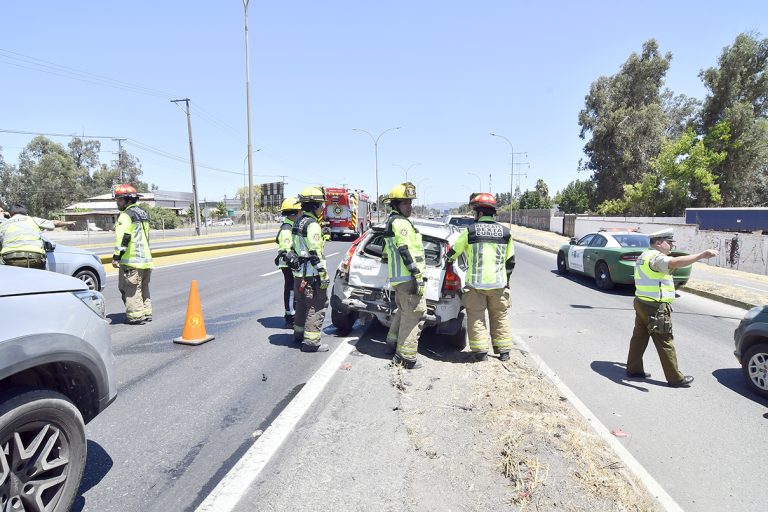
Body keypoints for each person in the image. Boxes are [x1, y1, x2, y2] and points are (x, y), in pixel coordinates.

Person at [626, 229, 718, 387]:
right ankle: (675, 378)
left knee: (639, 337)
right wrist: (701, 255)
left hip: (642, 302)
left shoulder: (645, 255)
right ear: (659, 243)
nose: (672, 246)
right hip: (655, 307)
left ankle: (633, 369)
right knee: (665, 341)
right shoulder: (656, 257)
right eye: (669, 242)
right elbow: (674, 263)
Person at [446, 193, 516, 362]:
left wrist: (449, 259)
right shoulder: (506, 233)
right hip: (499, 284)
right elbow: (510, 261)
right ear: (492, 213)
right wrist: (506, 281)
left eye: (474, 212)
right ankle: (504, 352)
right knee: (500, 316)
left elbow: (454, 252)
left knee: (476, 317)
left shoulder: (470, 231)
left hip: (476, 285)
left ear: (479, 213)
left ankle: (481, 353)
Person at [382, 182, 427, 370]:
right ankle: (406, 358)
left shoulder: (393, 221)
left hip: (399, 279)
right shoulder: (400, 223)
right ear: (395, 205)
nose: (409, 206)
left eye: (410, 202)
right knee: (415, 314)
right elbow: (404, 249)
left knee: (403, 312)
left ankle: (392, 342)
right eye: (405, 203)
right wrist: (416, 274)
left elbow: (386, 254)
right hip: (408, 277)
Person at [290, 186, 330, 352]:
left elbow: (299, 248)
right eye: (321, 205)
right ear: (314, 206)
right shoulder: (312, 225)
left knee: (301, 305)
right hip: (312, 274)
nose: (322, 208)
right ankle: (312, 342)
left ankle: (299, 334)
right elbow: (314, 252)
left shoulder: (298, 222)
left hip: (299, 274)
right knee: (316, 305)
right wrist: (323, 274)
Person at [112, 183, 153, 325]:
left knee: (130, 289)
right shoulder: (143, 214)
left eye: (120, 200)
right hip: (146, 260)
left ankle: (136, 316)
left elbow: (124, 237)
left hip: (132, 261)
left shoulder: (125, 216)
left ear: (129, 199)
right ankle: (146, 312)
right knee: (143, 287)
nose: (118, 203)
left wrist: (117, 256)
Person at [0, 204, 74, 269]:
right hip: (34, 258)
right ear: (25, 213)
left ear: (11, 213)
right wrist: (67, 223)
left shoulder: (4, 224)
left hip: (9, 258)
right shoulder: (33, 219)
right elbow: (54, 223)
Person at [274, 197, 302, 328]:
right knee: (291, 289)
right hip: (288, 264)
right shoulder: (286, 228)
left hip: (290, 263)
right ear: (294, 213)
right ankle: (290, 316)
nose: (302, 213)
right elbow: (285, 249)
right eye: (300, 211)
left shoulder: (291, 225)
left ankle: (293, 312)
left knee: (293, 289)